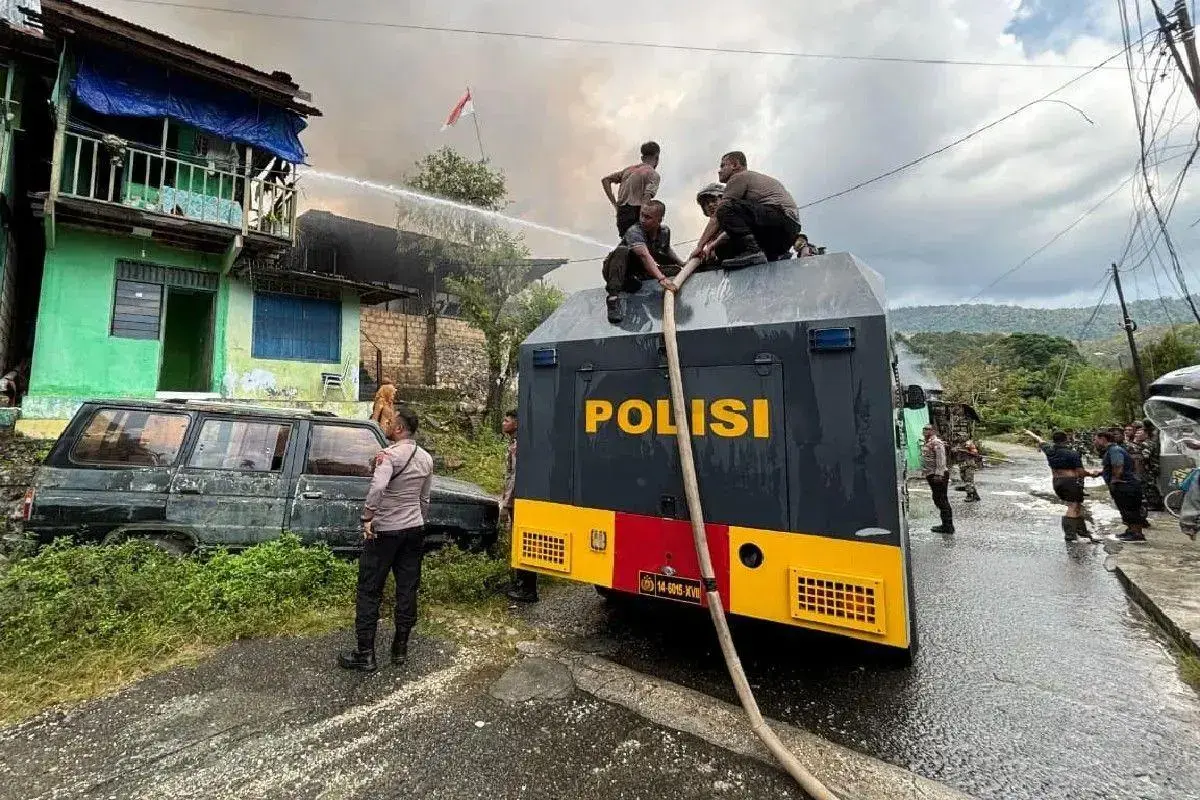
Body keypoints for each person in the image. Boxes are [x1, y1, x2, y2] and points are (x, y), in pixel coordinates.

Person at [339, 406, 434, 672]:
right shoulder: (426, 458)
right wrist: (418, 519)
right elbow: (424, 498)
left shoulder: (387, 456)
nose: (388, 425)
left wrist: (367, 517)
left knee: (369, 590)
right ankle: (400, 649)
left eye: (391, 423)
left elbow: (378, 487)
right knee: (407, 588)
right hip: (413, 529)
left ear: (400, 429)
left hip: (384, 531)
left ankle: (365, 653)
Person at [690, 151, 801, 267]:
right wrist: (713, 245)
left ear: (735, 165)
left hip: (780, 221)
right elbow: (736, 230)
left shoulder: (739, 177)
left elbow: (717, 217)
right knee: (723, 248)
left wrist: (700, 246)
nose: (719, 170)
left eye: (723, 165)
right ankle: (760, 256)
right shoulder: (752, 186)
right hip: (785, 234)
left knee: (724, 208)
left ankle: (753, 252)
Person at [602, 200, 683, 324]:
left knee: (676, 270)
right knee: (621, 251)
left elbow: (665, 251)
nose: (643, 219)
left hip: (639, 272)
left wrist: (682, 264)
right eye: (642, 215)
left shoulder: (664, 231)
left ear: (659, 220)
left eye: (648, 217)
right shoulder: (634, 231)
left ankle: (637, 279)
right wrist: (661, 279)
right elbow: (644, 255)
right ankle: (613, 299)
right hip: (617, 271)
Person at [1025, 430, 1094, 542]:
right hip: (1070, 482)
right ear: (1066, 439)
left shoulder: (1049, 450)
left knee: (1076, 506)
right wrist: (1093, 473)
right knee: (1073, 506)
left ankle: (1082, 532)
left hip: (1057, 481)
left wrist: (1029, 433)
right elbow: (1081, 472)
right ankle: (1070, 535)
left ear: (1054, 440)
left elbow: (1040, 440)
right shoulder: (1072, 453)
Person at [501, 410, 539, 603]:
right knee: (518, 542)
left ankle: (528, 589)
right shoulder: (516, 443)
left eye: (507, 420)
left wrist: (506, 503)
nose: (503, 423)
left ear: (516, 424)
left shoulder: (520, 446)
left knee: (524, 542)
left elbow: (516, 477)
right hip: (519, 500)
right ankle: (520, 583)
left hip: (520, 501)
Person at [1089, 430, 1147, 543]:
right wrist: (1102, 473)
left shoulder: (1114, 450)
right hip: (1126, 484)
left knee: (1130, 509)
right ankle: (1131, 530)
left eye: (1095, 439)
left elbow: (1118, 465)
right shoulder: (1113, 450)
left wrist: (1115, 479)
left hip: (1125, 485)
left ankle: (1136, 534)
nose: (1094, 442)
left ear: (1103, 439)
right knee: (1125, 509)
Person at [601, 141, 662, 238]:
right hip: (636, 212)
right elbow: (646, 198)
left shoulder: (628, 170)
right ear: (657, 158)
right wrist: (643, 219)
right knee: (657, 237)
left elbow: (605, 180)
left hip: (622, 214)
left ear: (642, 158)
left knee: (627, 242)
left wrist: (615, 204)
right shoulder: (653, 174)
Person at [694, 182, 738, 265]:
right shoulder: (710, 233)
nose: (710, 205)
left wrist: (713, 246)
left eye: (714, 200)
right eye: (706, 203)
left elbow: (730, 232)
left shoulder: (735, 217)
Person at [921, 425, 954, 534]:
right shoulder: (927, 442)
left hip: (938, 475)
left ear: (933, 431)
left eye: (927, 429)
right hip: (931, 474)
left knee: (941, 500)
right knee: (938, 499)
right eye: (924, 429)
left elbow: (941, 459)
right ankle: (946, 524)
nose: (925, 431)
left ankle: (948, 526)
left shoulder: (936, 442)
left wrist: (939, 474)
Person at [1140, 419, 1165, 512]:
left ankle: (1155, 504)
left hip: (1151, 465)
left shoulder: (1150, 441)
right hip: (1155, 464)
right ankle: (1156, 503)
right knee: (1152, 484)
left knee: (1150, 485)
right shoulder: (1156, 435)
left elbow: (1146, 455)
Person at [952, 438, 982, 503]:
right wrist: (956, 450)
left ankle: (969, 495)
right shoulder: (957, 444)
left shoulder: (969, 443)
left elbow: (975, 453)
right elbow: (953, 451)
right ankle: (975, 495)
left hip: (969, 465)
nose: (958, 437)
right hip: (962, 465)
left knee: (969, 481)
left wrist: (966, 451)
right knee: (965, 480)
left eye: (959, 436)